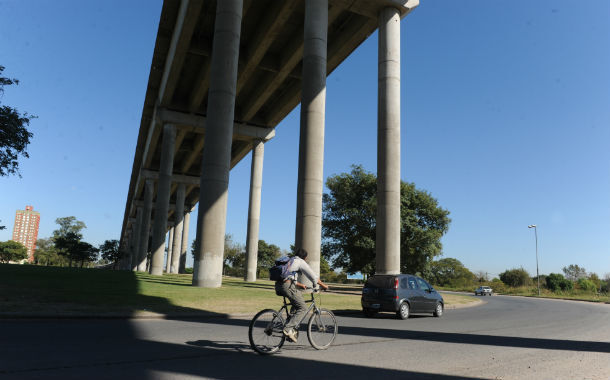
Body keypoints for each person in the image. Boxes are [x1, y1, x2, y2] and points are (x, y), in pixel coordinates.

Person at [275, 248, 329, 343]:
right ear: (305, 257)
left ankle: (291, 328)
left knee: (297, 301)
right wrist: (323, 286)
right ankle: (288, 329)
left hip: (278, 286)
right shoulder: (300, 262)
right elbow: (313, 276)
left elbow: (291, 278)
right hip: (287, 286)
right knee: (303, 308)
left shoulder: (291, 261)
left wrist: (301, 285)